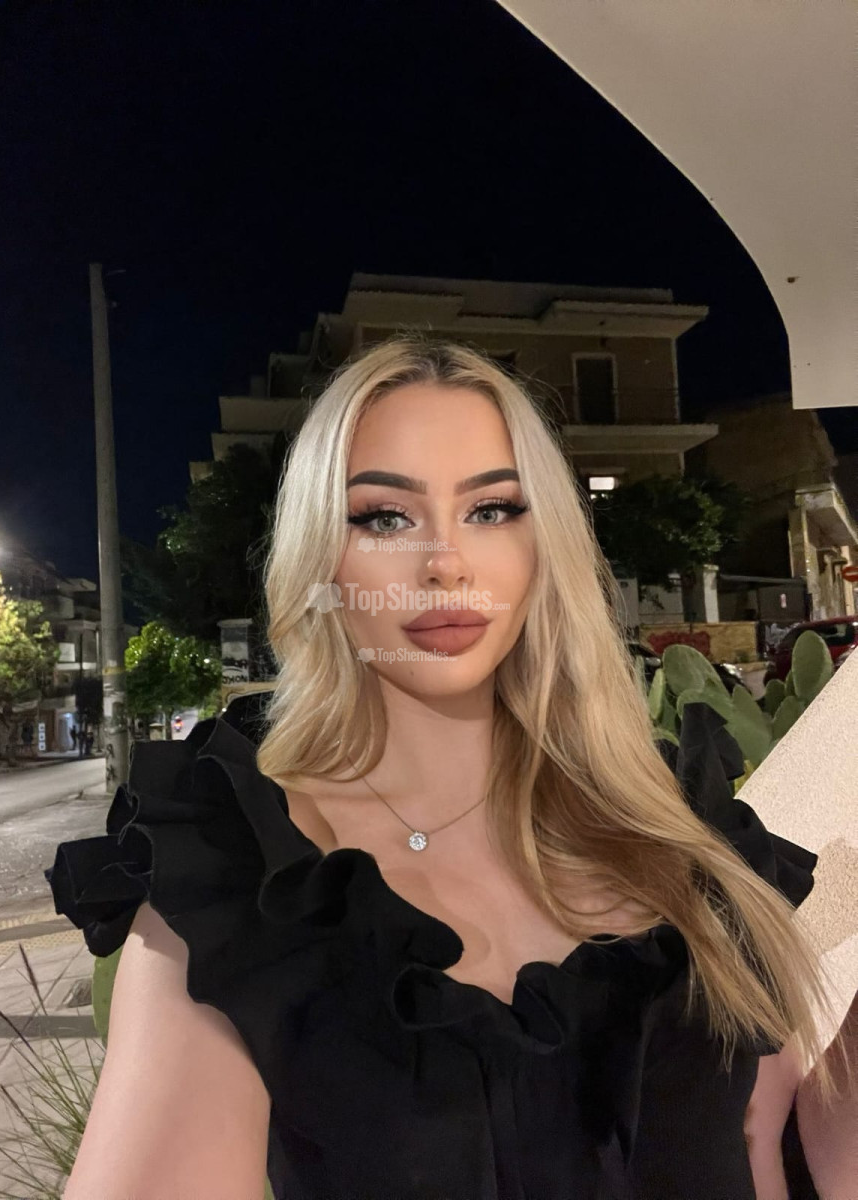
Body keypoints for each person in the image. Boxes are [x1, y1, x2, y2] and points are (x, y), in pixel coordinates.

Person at [44, 335, 853, 1200]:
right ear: (321, 558)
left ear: (544, 543)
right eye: (384, 517)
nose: (445, 564)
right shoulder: (245, 882)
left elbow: (775, 1151)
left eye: (492, 509)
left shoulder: (678, 827)